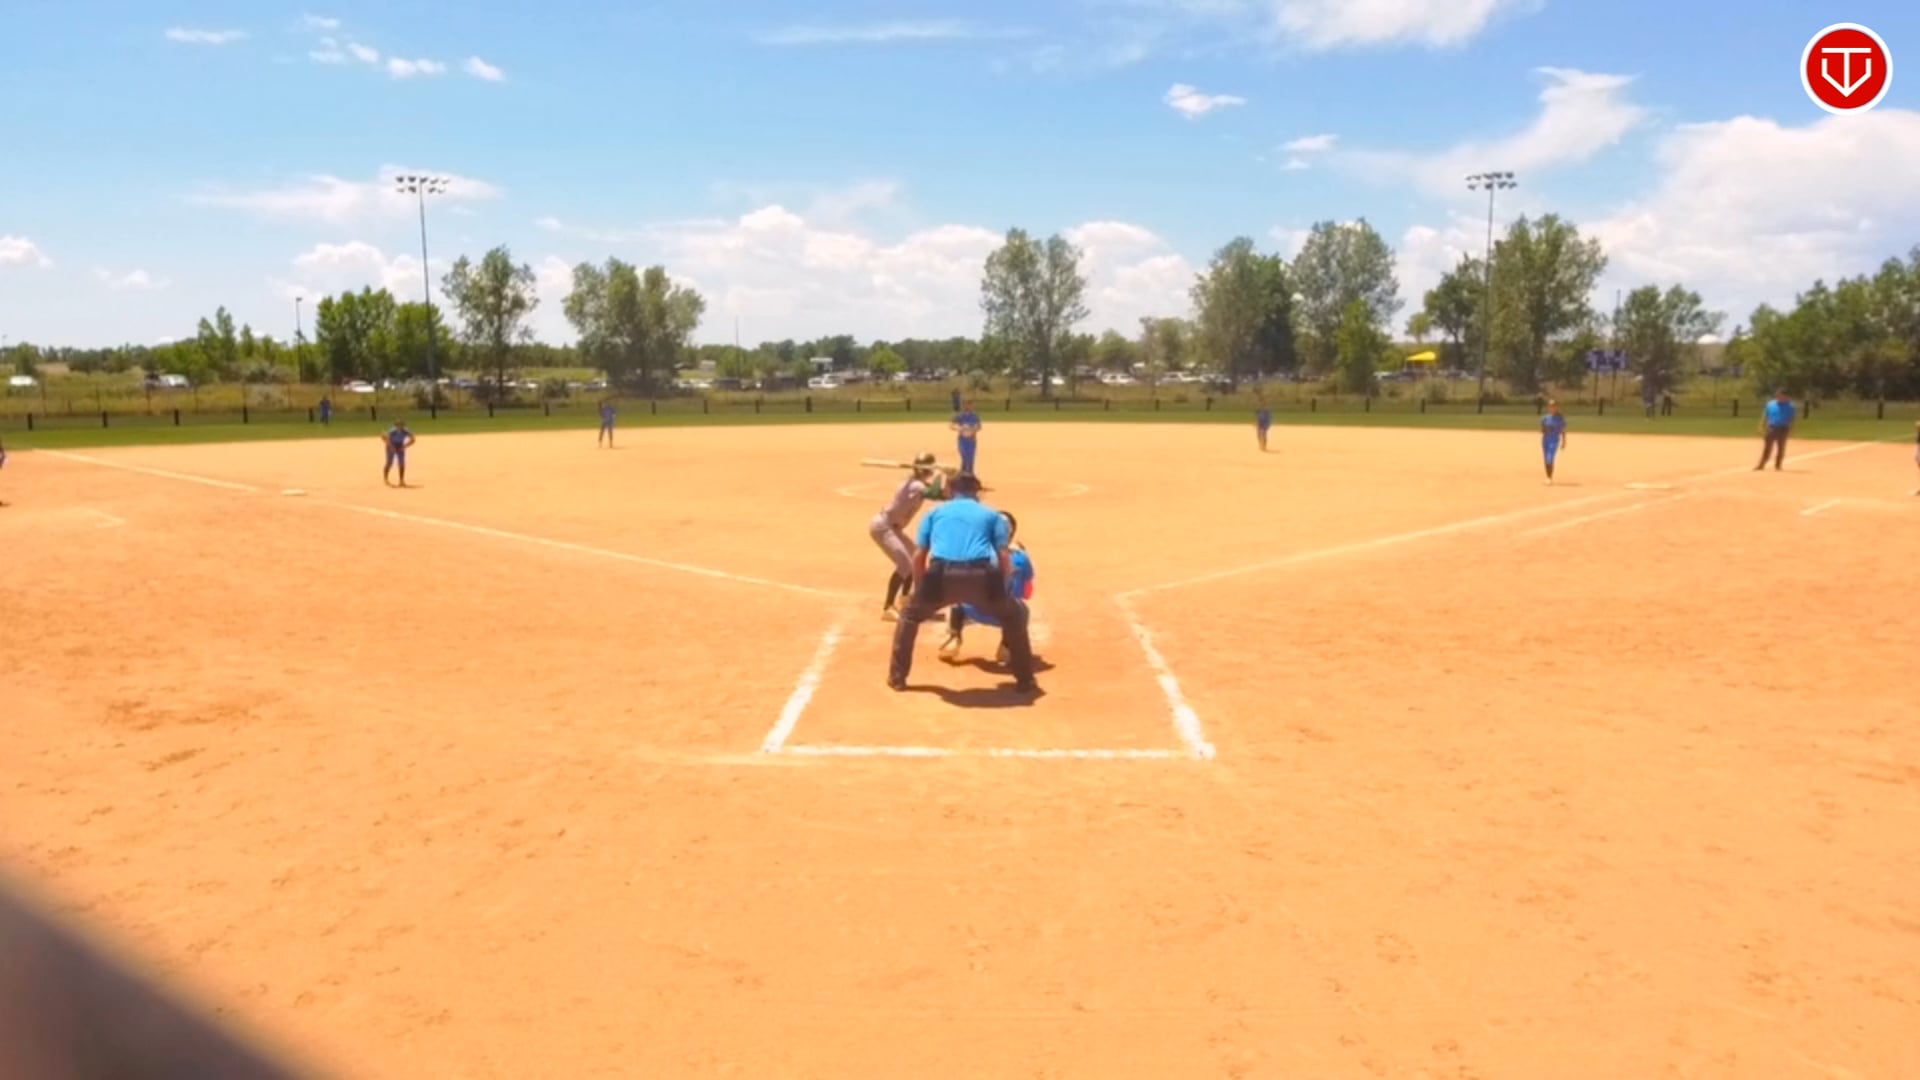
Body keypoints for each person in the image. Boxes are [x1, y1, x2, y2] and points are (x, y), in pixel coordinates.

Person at [888, 471, 1038, 695]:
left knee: (909, 615)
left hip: (940, 575)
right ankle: (1025, 681)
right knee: (1015, 616)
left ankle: (897, 678)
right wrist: (1001, 590)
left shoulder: (934, 513)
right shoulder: (992, 515)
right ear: (977, 492)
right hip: (981, 576)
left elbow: (919, 557)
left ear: (949, 490)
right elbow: (1004, 557)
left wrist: (921, 591)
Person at [940, 511, 1033, 664]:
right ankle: (1006, 647)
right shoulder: (1021, 557)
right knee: (1021, 609)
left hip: (972, 609)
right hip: (1004, 616)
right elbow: (1027, 593)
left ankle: (953, 638)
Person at [871, 453, 948, 621]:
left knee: (914, 561)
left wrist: (950, 477)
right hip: (883, 527)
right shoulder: (915, 486)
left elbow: (943, 495)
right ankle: (888, 608)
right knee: (904, 564)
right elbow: (934, 493)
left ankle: (906, 602)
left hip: (893, 528)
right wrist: (940, 474)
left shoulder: (917, 484)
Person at [1755, 389, 1795, 471]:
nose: (1778, 397)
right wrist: (1761, 425)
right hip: (1771, 427)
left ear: (1785, 396)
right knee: (1767, 447)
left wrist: (1790, 430)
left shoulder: (1790, 406)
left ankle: (1778, 465)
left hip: (1783, 428)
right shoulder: (1770, 404)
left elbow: (1791, 419)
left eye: (1780, 395)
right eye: (1777, 395)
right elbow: (1765, 415)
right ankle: (1761, 464)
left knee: (1781, 447)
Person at [381, 419, 416, 487]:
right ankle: (386, 479)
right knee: (389, 463)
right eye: (398, 426)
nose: (400, 427)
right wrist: (392, 447)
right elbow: (385, 439)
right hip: (391, 445)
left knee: (401, 464)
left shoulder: (406, 431)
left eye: (401, 425)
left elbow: (413, 440)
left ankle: (401, 481)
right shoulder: (392, 431)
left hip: (400, 445)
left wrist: (404, 446)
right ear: (395, 426)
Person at [1540, 399, 1568, 484]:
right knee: (1546, 459)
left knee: (1550, 458)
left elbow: (1563, 431)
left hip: (1554, 440)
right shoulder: (1545, 418)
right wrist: (1545, 429)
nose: (1552, 408)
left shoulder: (1560, 418)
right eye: (1550, 406)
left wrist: (1564, 441)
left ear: (1556, 407)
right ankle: (1548, 477)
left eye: (1553, 406)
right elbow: (1542, 430)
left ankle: (1550, 478)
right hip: (1545, 440)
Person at [951, 399, 981, 475]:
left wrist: (973, 429)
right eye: (965, 404)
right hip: (962, 439)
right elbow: (951, 425)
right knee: (964, 455)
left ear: (971, 406)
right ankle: (963, 472)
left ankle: (970, 473)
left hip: (971, 439)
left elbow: (979, 426)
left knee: (970, 457)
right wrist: (959, 428)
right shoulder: (960, 415)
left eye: (969, 404)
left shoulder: (974, 415)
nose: (967, 406)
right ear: (963, 405)